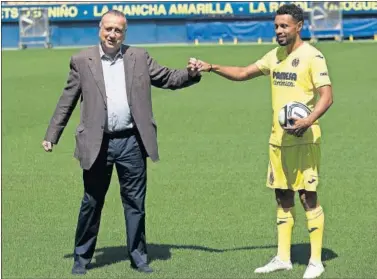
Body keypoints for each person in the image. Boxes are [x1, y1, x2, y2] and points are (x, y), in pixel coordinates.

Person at [42, 10, 201, 275]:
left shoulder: (138, 57)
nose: (112, 34)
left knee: (135, 203)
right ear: (99, 29)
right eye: (108, 29)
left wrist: (191, 73)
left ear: (125, 33)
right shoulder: (82, 60)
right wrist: (52, 135)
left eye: (118, 30)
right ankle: (81, 258)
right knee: (92, 202)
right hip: (97, 143)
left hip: (132, 142)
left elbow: (168, 78)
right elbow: (67, 100)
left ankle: (138, 256)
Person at [193, 4, 333, 279]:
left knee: (307, 197)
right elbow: (244, 73)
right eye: (276, 26)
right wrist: (210, 67)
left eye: (284, 26)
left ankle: (316, 261)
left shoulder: (313, 57)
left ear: (299, 26)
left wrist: (308, 120)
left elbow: (327, 96)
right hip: (278, 140)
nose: (279, 31)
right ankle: (283, 257)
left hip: (304, 139)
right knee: (282, 196)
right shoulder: (276, 55)